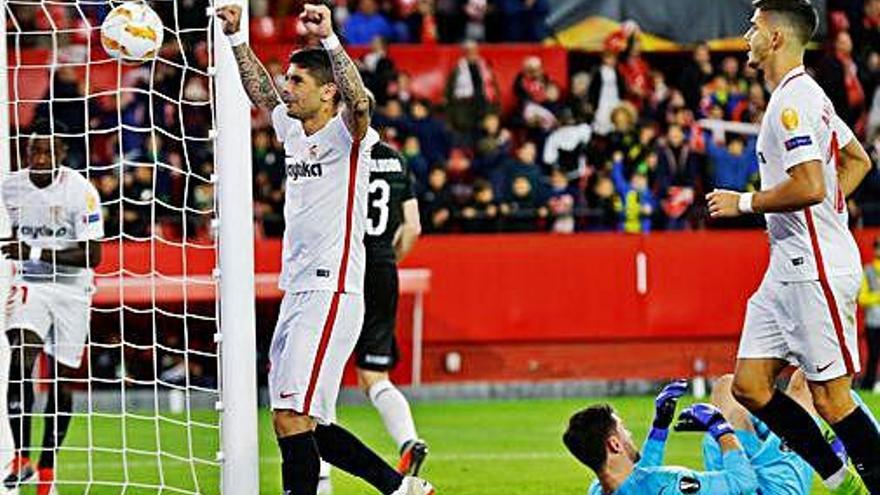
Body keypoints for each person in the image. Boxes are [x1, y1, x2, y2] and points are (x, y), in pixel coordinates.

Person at [216, 4, 433, 495]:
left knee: (294, 415)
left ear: (326, 91)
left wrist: (332, 40)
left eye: (296, 82)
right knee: (298, 418)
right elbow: (260, 92)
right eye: (288, 80)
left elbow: (360, 104)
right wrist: (235, 39)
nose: (286, 87)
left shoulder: (348, 136)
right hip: (298, 289)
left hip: (331, 288)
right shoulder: (293, 131)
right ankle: (402, 489)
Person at [705, 1, 878, 492]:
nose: (746, 37)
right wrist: (827, 214)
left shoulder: (792, 105)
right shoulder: (806, 96)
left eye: (753, 28)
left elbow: (809, 185)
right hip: (787, 266)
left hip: (814, 267)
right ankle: (838, 477)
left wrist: (744, 202)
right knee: (750, 387)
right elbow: (857, 160)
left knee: (833, 400)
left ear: (776, 38)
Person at [1, 119, 104, 495]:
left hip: (74, 291)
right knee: (20, 355)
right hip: (31, 285)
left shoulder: (82, 192)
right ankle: (21, 457)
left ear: (62, 155)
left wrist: (35, 251)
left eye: (47, 152)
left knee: (62, 383)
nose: (39, 158)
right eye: (33, 152)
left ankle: (47, 468)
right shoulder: (10, 187)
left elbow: (94, 255)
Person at [357, 135, 427, 474]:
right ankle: (408, 441)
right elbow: (413, 226)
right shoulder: (397, 159)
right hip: (383, 268)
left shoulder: (341, 154)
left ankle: (318, 469)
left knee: (319, 373)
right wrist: (390, 258)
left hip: (347, 267)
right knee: (375, 374)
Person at [564, 380, 760, 495]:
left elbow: (639, 481)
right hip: (763, 487)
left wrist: (660, 427)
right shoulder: (669, 483)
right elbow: (744, 482)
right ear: (614, 444)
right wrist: (720, 428)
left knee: (726, 389)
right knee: (731, 398)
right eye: (623, 429)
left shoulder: (597, 489)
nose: (629, 434)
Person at [703, 370, 880, 495]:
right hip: (776, 486)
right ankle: (842, 463)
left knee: (726, 386)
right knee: (807, 380)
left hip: (729, 475)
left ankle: (776, 430)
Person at [859, 237, 880, 391]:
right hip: (873, 321)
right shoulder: (868, 270)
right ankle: (868, 385)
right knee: (873, 356)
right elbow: (862, 298)